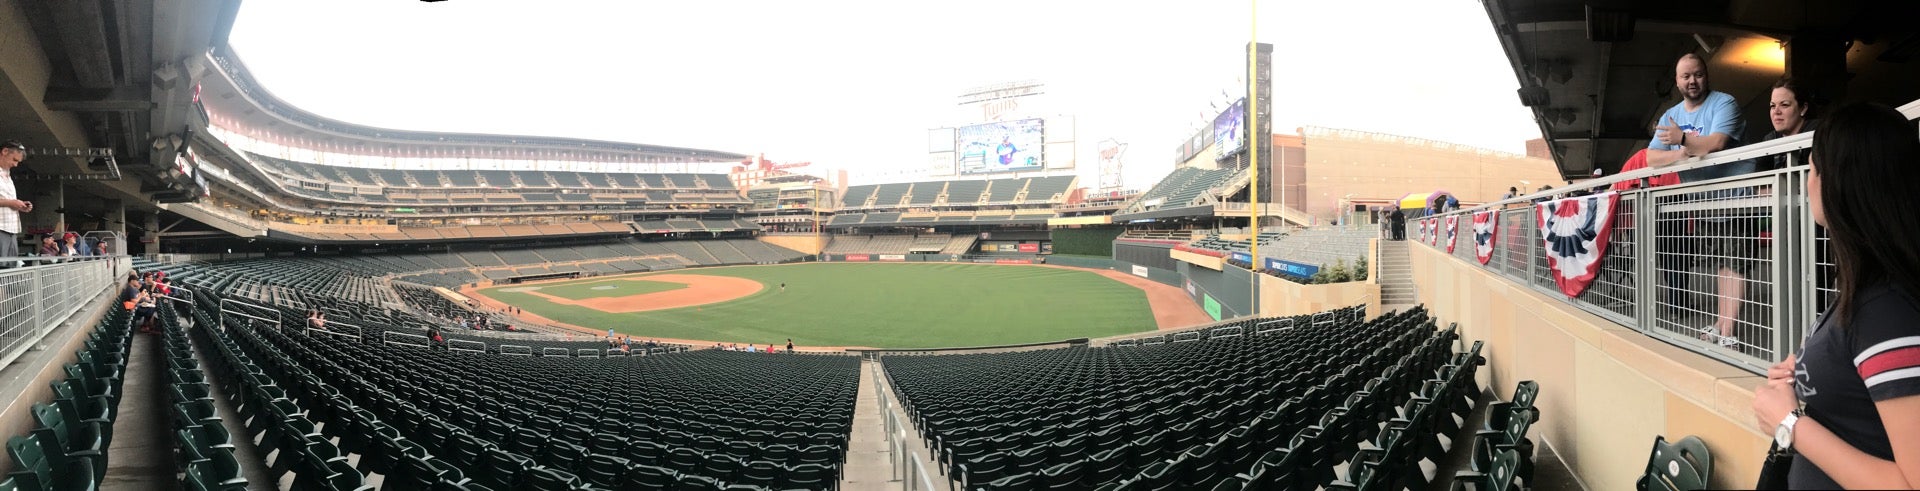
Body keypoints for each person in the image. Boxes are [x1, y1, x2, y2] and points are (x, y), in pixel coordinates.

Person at [1750, 103, 1920, 489]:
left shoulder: (1888, 311)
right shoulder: (1872, 290)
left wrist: (1790, 423)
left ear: (1837, 182)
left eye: (1812, 169)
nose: (1808, 181)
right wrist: (1807, 373)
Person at [0, 141, 28, 268]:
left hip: (12, 229)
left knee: (10, 270)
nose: (15, 165)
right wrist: (11, 203)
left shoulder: (8, 176)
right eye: (14, 160)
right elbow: (8, 202)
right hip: (1, 228)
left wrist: (19, 205)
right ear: (5, 152)